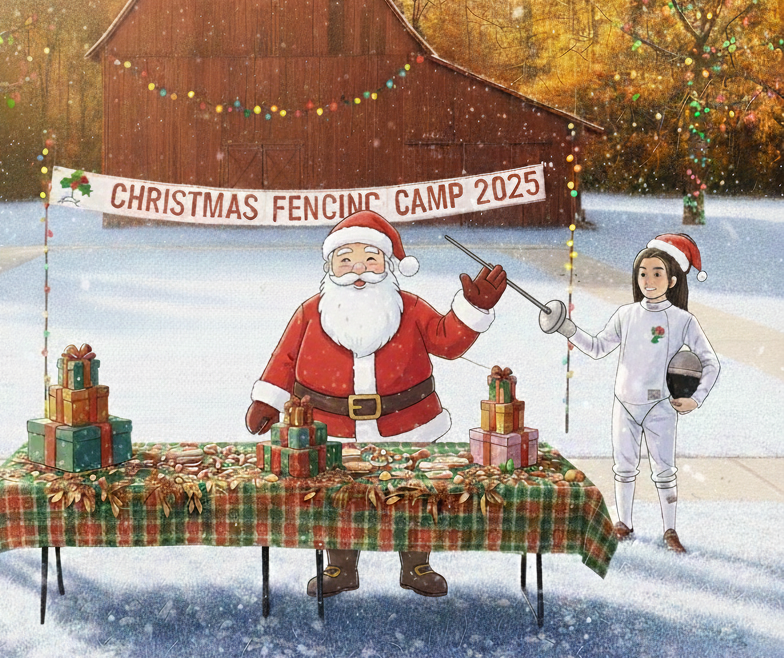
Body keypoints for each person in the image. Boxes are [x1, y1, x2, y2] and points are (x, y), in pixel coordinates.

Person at [245, 210, 507, 597]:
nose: (358, 269)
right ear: (330, 264)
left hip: (409, 424)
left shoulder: (410, 308)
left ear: (388, 264)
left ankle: (416, 564)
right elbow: (285, 359)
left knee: (414, 493)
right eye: (345, 259)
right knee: (337, 497)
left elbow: (446, 341)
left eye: (370, 258)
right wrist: (268, 400)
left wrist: (473, 309)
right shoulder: (310, 313)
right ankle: (340, 567)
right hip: (331, 427)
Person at [539, 233, 719, 553]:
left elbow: (710, 363)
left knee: (664, 470)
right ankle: (624, 523)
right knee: (623, 467)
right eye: (643, 273)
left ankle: (670, 530)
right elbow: (596, 347)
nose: (648, 280)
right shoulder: (626, 315)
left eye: (656, 273)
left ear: (673, 279)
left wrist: (695, 398)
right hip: (624, 403)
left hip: (661, 406)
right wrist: (566, 328)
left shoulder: (682, 320)